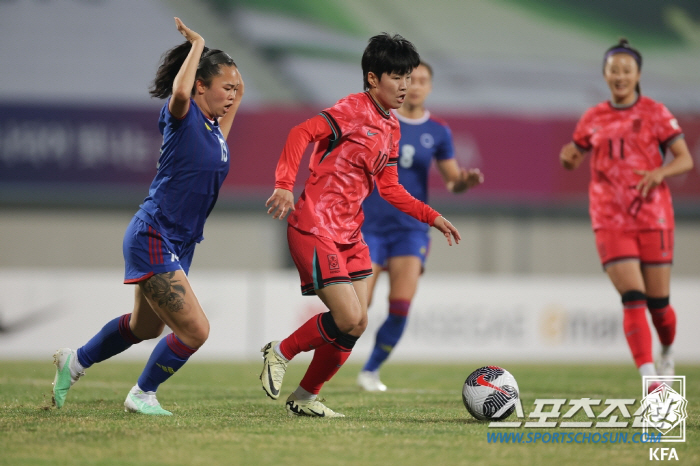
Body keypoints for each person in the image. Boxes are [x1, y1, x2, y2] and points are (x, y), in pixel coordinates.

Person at [261, 33, 461, 417]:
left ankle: (305, 398)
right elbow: (300, 133)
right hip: (315, 226)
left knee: (357, 323)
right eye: (397, 77)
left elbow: (390, 189)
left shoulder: (392, 128)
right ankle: (280, 351)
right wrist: (285, 185)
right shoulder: (352, 109)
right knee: (349, 317)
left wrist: (432, 216)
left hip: (350, 235)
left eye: (409, 77)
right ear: (373, 79)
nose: (405, 86)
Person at [51, 17, 244, 415]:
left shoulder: (215, 131)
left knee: (145, 328)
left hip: (179, 242)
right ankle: (142, 394)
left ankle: (76, 361)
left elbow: (232, 94)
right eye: (225, 87)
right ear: (200, 86)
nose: (232, 95)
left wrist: (232, 78)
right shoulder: (182, 114)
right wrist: (198, 45)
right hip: (154, 234)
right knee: (195, 331)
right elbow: (179, 90)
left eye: (235, 88)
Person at [559, 38, 692, 392]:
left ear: (637, 74)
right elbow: (574, 154)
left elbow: (684, 158)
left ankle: (666, 348)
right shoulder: (593, 117)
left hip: (653, 216)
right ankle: (650, 380)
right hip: (610, 217)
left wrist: (659, 173)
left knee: (659, 306)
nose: (620, 76)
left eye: (626, 70)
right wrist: (568, 158)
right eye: (614, 70)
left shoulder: (655, 113)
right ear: (605, 74)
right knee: (633, 295)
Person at [357, 62, 484, 392]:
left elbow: (452, 181)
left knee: (400, 306)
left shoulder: (438, 131)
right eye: (407, 79)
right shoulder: (378, 119)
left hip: (411, 230)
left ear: (430, 87)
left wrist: (464, 181)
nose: (414, 85)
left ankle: (370, 371)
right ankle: (324, 364)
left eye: (422, 80)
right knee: (358, 308)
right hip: (369, 225)